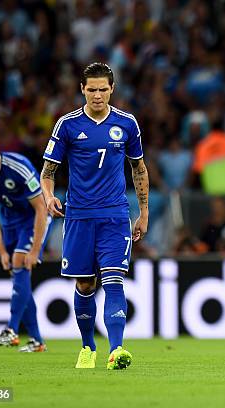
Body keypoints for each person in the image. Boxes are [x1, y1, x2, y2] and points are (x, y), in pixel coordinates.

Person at [40, 62, 149, 369]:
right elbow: (49, 171)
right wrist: (48, 197)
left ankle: (116, 350)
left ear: (112, 89)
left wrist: (144, 212)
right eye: (92, 90)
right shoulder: (67, 125)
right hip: (78, 217)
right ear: (82, 90)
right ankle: (88, 347)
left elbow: (138, 168)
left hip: (115, 216)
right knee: (86, 284)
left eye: (103, 89)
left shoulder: (127, 124)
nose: (98, 95)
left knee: (114, 280)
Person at [0, 125, 49, 352]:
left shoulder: (18, 166)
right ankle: (37, 341)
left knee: (21, 262)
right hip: (10, 222)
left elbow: (41, 208)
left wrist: (34, 251)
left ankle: (11, 330)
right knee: (19, 278)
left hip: (35, 217)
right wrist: (1, 250)